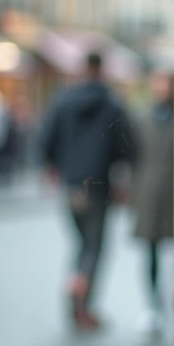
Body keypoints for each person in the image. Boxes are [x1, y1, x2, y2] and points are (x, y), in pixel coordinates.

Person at [38, 52, 135, 331]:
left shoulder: (63, 101)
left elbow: (46, 139)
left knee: (80, 245)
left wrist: (54, 166)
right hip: (97, 186)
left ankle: (76, 286)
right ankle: (84, 301)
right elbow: (124, 145)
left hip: (71, 186)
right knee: (94, 248)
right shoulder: (111, 104)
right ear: (101, 69)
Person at [131, 70, 174, 342]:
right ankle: (153, 308)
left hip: (173, 196)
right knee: (150, 254)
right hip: (148, 197)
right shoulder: (141, 119)